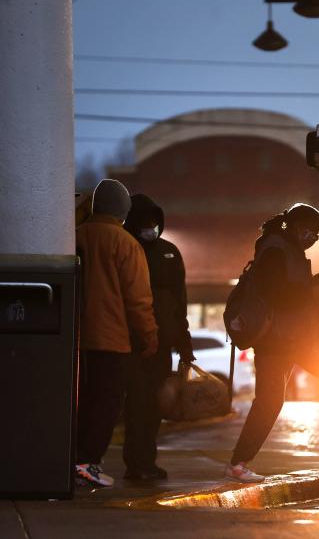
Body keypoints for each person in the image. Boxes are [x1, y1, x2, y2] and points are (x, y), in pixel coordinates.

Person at [226, 203, 319, 483]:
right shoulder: (276, 249)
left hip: (295, 339)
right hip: (277, 341)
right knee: (269, 402)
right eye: (308, 231)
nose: (312, 238)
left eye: (315, 234)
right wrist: (315, 287)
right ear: (295, 226)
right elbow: (280, 294)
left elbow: (293, 290)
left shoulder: (287, 249)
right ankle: (237, 464)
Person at [75, 179, 158, 487]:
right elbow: (138, 299)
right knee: (106, 403)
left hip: (73, 339)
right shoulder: (125, 244)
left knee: (80, 403)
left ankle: (73, 460)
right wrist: (149, 336)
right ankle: (88, 463)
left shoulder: (75, 235)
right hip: (111, 339)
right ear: (122, 210)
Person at [122, 194, 195, 480]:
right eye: (145, 222)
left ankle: (145, 461)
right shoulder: (127, 250)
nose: (151, 227)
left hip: (161, 342)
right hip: (133, 343)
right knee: (138, 405)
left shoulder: (169, 252)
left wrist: (184, 343)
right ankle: (136, 463)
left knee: (153, 408)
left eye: (155, 222)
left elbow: (180, 302)